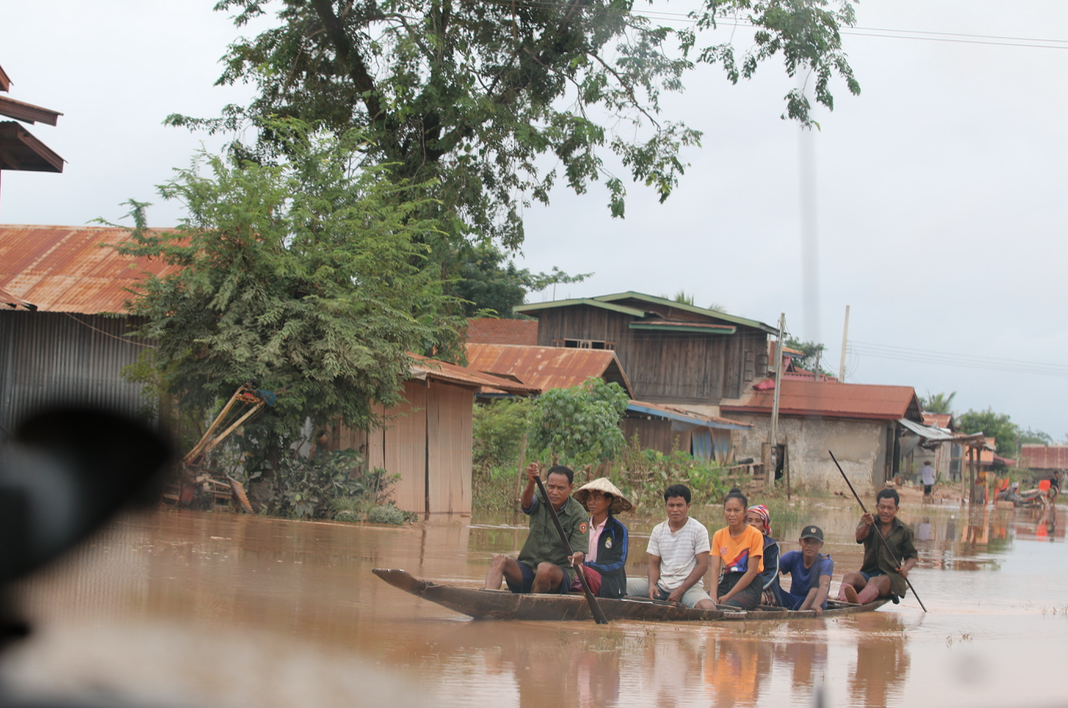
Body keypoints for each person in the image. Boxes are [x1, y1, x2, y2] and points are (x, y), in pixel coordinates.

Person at [484, 463, 588, 594]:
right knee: (499, 559)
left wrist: (577, 556)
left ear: (570, 488)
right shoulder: (540, 496)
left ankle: (531, 607)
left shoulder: (579, 514)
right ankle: (488, 597)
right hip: (529, 567)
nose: (554, 492)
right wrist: (531, 482)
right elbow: (527, 504)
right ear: (546, 485)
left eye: (560, 488)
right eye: (551, 487)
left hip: (558, 575)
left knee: (544, 569)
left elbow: (579, 552)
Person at [626, 484, 716, 610]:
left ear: (688, 506)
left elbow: (703, 565)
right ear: (666, 506)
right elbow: (653, 564)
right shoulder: (658, 530)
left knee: (708, 608)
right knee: (618, 585)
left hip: (688, 589)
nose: (675, 510)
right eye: (671, 505)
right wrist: (652, 584)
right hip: (661, 586)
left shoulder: (698, 530)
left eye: (679, 505)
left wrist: (680, 590)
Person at [837, 488, 918, 604]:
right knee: (849, 576)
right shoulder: (868, 520)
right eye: (882, 507)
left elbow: (912, 556)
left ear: (896, 509)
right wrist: (866, 524)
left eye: (890, 508)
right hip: (868, 573)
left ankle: (856, 603)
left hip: (891, 577)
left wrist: (906, 568)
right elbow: (859, 538)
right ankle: (842, 600)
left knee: (875, 581)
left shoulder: (904, 530)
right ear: (877, 507)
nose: (885, 511)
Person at [572, 477, 631, 598]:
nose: (591, 502)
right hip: (580, 573)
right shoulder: (582, 526)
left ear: (608, 501)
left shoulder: (618, 530)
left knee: (580, 573)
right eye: (589, 498)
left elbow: (618, 563)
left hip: (608, 583)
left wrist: (587, 566)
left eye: (596, 498)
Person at [709, 488, 764, 610]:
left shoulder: (755, 535)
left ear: (745, 513)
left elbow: (751, 572)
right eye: (728, 510)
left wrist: (728, 596)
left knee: (728, 607)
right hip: (727, 580)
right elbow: (715, 568)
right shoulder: (719, 535)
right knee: (703, 603)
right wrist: (713, 594)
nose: (732, 514)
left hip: (750, 584)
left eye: (736, 510)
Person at [778, 525, 834, 615]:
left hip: (813, 601)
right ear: (800, 542)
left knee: (814, 590)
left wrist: (816, 604)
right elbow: (771, 572)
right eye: (807, 541)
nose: (809, 546)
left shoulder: (825, 562)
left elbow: (825, 584)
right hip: (793, 600)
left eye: (814, 542)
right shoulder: (792, 556)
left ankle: (799, 615)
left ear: (821, 545)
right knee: (772, 585)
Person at [744, 504, 781, 606]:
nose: (753, 524)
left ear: (764, 526)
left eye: (758, 521)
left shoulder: (772, 546)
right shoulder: (738, 543)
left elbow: (771, 574)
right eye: (749, 520)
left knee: (754, 598)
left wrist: (752, 588)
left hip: (765, 588)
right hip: (739, 586)